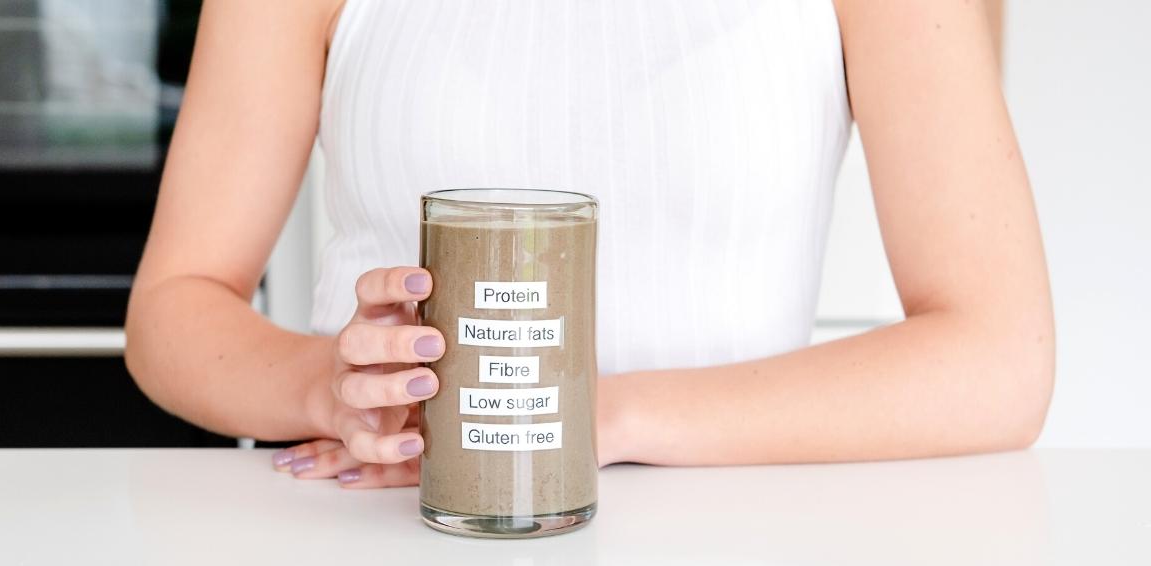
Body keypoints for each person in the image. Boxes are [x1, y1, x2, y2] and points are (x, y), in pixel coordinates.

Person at [125, 0, 1054, 488]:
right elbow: (176, 303)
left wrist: (593, 421)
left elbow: (999, 356)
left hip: (729, 553)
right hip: (376, 535)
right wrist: (322, 387)